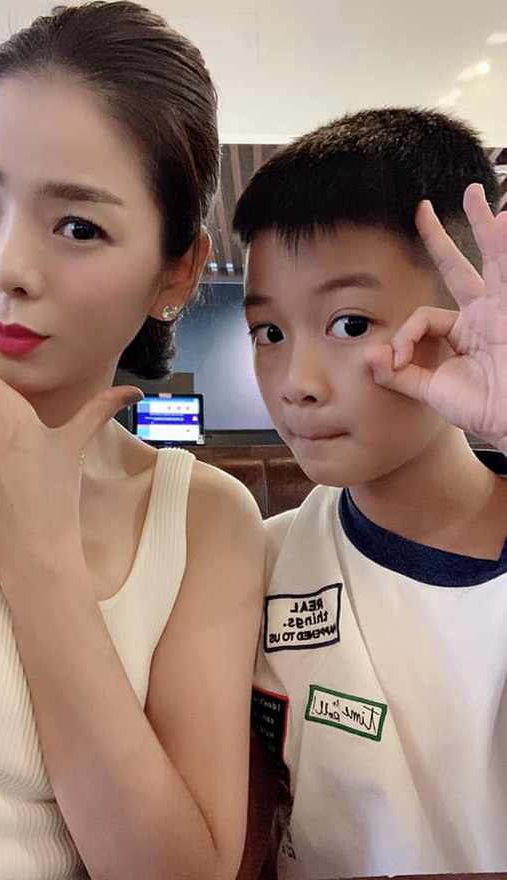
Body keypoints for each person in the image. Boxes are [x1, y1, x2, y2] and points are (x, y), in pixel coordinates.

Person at [0, 4, 265, 879]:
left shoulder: (202, 519)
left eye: (79, 227)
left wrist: (38, 554)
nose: (6, 267)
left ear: (178, 270)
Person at [231, 107, 507, 879]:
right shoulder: (253, 565)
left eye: (350, 324)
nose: (295, 384)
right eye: (269, 333)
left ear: (458, 319)